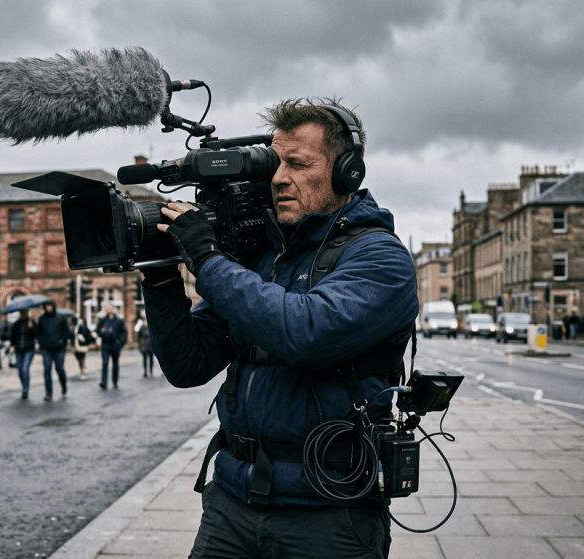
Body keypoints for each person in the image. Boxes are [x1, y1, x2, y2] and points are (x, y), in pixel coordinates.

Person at [140, 98, 417, 558]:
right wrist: (161, 274)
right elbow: (188, 364)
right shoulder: (262, 258)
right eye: (275, 162)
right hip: (231, 503)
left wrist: (208, 260)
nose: (278, 178)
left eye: (297, 163)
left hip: (328, 513)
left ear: (348, 172)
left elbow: (307, 333)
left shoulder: (380, 258)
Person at [36, 301, 71, 401]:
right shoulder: (42, 319)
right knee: (47, 370)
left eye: (50, 306)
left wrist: (62, 340)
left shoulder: (61, 317)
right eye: (46, 306)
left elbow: (67, 331)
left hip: (59, 348)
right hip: (46, 349)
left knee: (59, 369)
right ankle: (49, 393)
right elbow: (39, 333)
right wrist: (42, 343)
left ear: (53, 307)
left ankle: (63, 385)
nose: (48, 308)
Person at [95, 304, 126, 389]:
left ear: (113, 309)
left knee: (115, 364)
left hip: (115, 345)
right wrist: (103, 334)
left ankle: (115, 381)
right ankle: (104, 382)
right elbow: (98, 330)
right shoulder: (102, 320)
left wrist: (120, 342)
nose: (108, 310)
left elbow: (124, 332)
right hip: (105, 344)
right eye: (106, 308)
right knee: (105, 363)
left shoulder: (119, 320)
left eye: (110, 308)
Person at [10, 309, 38, 399]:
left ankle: (25, 390)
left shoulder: (31, 322)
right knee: (20, 371)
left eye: (25, 313)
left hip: (29, 349)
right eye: (22, 313)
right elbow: (12, 335)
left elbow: (36, 334)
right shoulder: (16, 324)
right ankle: (24, 386)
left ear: (27, 313)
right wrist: (12, 345)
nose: (23, 315)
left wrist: (32, 327)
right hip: (18, 350)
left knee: (25, 369)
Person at [134, 310, 154, 377]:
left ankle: (151, 371)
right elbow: (137, 332)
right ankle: (145, 371)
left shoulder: (151, 322)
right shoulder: (140, 323)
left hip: (150, 343)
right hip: (144, 344)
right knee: (145, 358)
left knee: (151, 358)